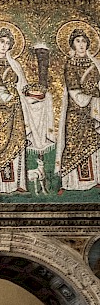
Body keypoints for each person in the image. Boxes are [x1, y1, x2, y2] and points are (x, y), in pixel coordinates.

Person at [0, 29, 33, 196]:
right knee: (1, 144)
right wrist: (11, 98)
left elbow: (21, 84)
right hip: (1, 110)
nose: (5, 45)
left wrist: (29, 93)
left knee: (17, 142)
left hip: (16, 110)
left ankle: (19, 184)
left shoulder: (13, 63)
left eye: (8, 43)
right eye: (2, 42)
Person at [57, 28, 100, 192]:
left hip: (92, 111)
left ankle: (94, 179)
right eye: (78, 41)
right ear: (72, 44)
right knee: (74, 145)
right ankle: (72, 183)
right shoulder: (70, 64)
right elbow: (76, 95)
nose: (81, 44)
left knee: (93, 142)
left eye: (84, 41)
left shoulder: (94, 64)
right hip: (76, 112)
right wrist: (92, 92)